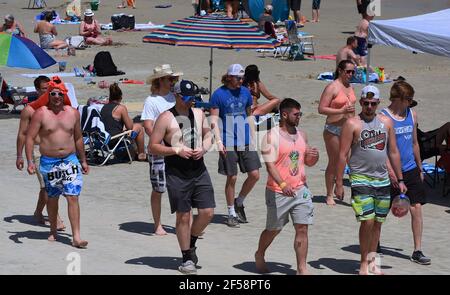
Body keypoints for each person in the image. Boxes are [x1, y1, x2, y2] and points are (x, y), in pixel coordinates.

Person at [335, 85, 406, 275]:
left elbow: (393, 151)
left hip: (382, 180)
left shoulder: (386, 123)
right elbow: (342, 155)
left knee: (377, 223)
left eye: (372, 104)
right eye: (365, 103)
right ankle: (363, 264)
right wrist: (339, 183)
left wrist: (400, 179)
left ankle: (373, 261)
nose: (369, 107)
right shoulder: (351, 124)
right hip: (360, 178)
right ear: (360, 103)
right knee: (366, 221)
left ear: (377, 104)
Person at [149, 80, 215, 275]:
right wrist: (176, 149)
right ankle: (186, 257)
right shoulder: (165, 118)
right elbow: (152, 146)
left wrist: (204, 147)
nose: (190, 102)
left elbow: (208, 135)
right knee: (183, 216)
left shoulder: (198, 113)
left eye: (193, 98)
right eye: (186, 98)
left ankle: (191, 243)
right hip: (177, 173)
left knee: (207, 212)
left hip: (199, 170)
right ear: (176, 96)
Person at [255, 98, 319, 275]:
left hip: (300, 190)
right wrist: (282, 184)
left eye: (300, 114)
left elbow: (307, 162)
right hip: (278, 191)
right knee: (273, 229)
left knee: (302, 228)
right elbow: (270, 166)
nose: (299, 117)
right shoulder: (271, 136)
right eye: (296, 114)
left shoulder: (302, 135)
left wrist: (314, 156)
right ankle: (260, 254)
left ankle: (302, 268)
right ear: (284, 114)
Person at [25, 79, 89, 248]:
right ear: (48, 95)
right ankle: (53, 230)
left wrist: (83, 160)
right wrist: (30, 161)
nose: (56, 97)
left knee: (73, 196)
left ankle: (76, 236)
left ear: (64, 95)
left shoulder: (73, 113)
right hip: (49, 162)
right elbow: (29, 138)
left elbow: (78, 138)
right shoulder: (41, 113)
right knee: (52, 198)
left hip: (70, 160)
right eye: (52, 93)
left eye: (60, 93)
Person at [380, 81, 431, 265]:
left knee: (416, 207)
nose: (410, 102)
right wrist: (391, 172)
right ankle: (374, 242)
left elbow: (415, 143)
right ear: (398, 99)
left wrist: (420, 166)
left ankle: (417, 250)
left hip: (410, 169)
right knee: (382, 210)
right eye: (408, 99)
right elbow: (381, 149)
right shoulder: (384, 118)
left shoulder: (412, 114)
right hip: (390, 171)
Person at [210, 64, 261, 227]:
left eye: (242, 78)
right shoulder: (218, 94)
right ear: (230, 77)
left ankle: (239, 201)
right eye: (238, 78)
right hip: (227, 140)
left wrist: (253, 137)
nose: (241, 81)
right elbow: (214, 121)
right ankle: (231, 211)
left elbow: (249, 116)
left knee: (255, 175)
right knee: (232, 177)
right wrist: (218, 141)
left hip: (245, 139)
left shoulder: (246, 92)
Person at [16, 76, 65, 230]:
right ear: (37, 90)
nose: (48, 91)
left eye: (49, 88)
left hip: (54, 151)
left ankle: (38, 212)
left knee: (53, 185)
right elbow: (22, 134)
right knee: (48, 185)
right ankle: (55, 218)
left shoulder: (54, 107)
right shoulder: (29, 110)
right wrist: (20, 156)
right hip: (37, 151)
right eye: (44, 88)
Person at [142, 64, 182, 235]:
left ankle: (182, 223)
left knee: (182, 185)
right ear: (161, 80)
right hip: (159, 149)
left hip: (179, 147)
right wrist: (162, 140)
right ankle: (157, 223)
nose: (173, 81)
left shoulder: (175, 97)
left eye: (174, 79)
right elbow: (148, 125)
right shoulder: (151, 101)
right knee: (159, 188)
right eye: (169, 79)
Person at [318, 60, 357, 206]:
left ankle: (355, 194)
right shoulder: (332, 87)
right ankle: (329, 194)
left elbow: (352, 107)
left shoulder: (350, 86)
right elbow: (321, 109)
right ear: (340, 71)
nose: (351, 74)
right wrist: (341, 111)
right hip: (333, 129)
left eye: (353, 72)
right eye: (348, 71)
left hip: (350, 129)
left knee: (354, 163)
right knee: (334, 163)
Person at [100, 83, 146, 161]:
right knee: (138, 127)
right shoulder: (121, 108)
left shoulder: (104, 107)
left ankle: (133, 152)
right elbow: (130, 127)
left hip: (104, 139)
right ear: (120, 98)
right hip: (114, 140)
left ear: (110, 97)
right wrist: (130, 120)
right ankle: (141, 154)